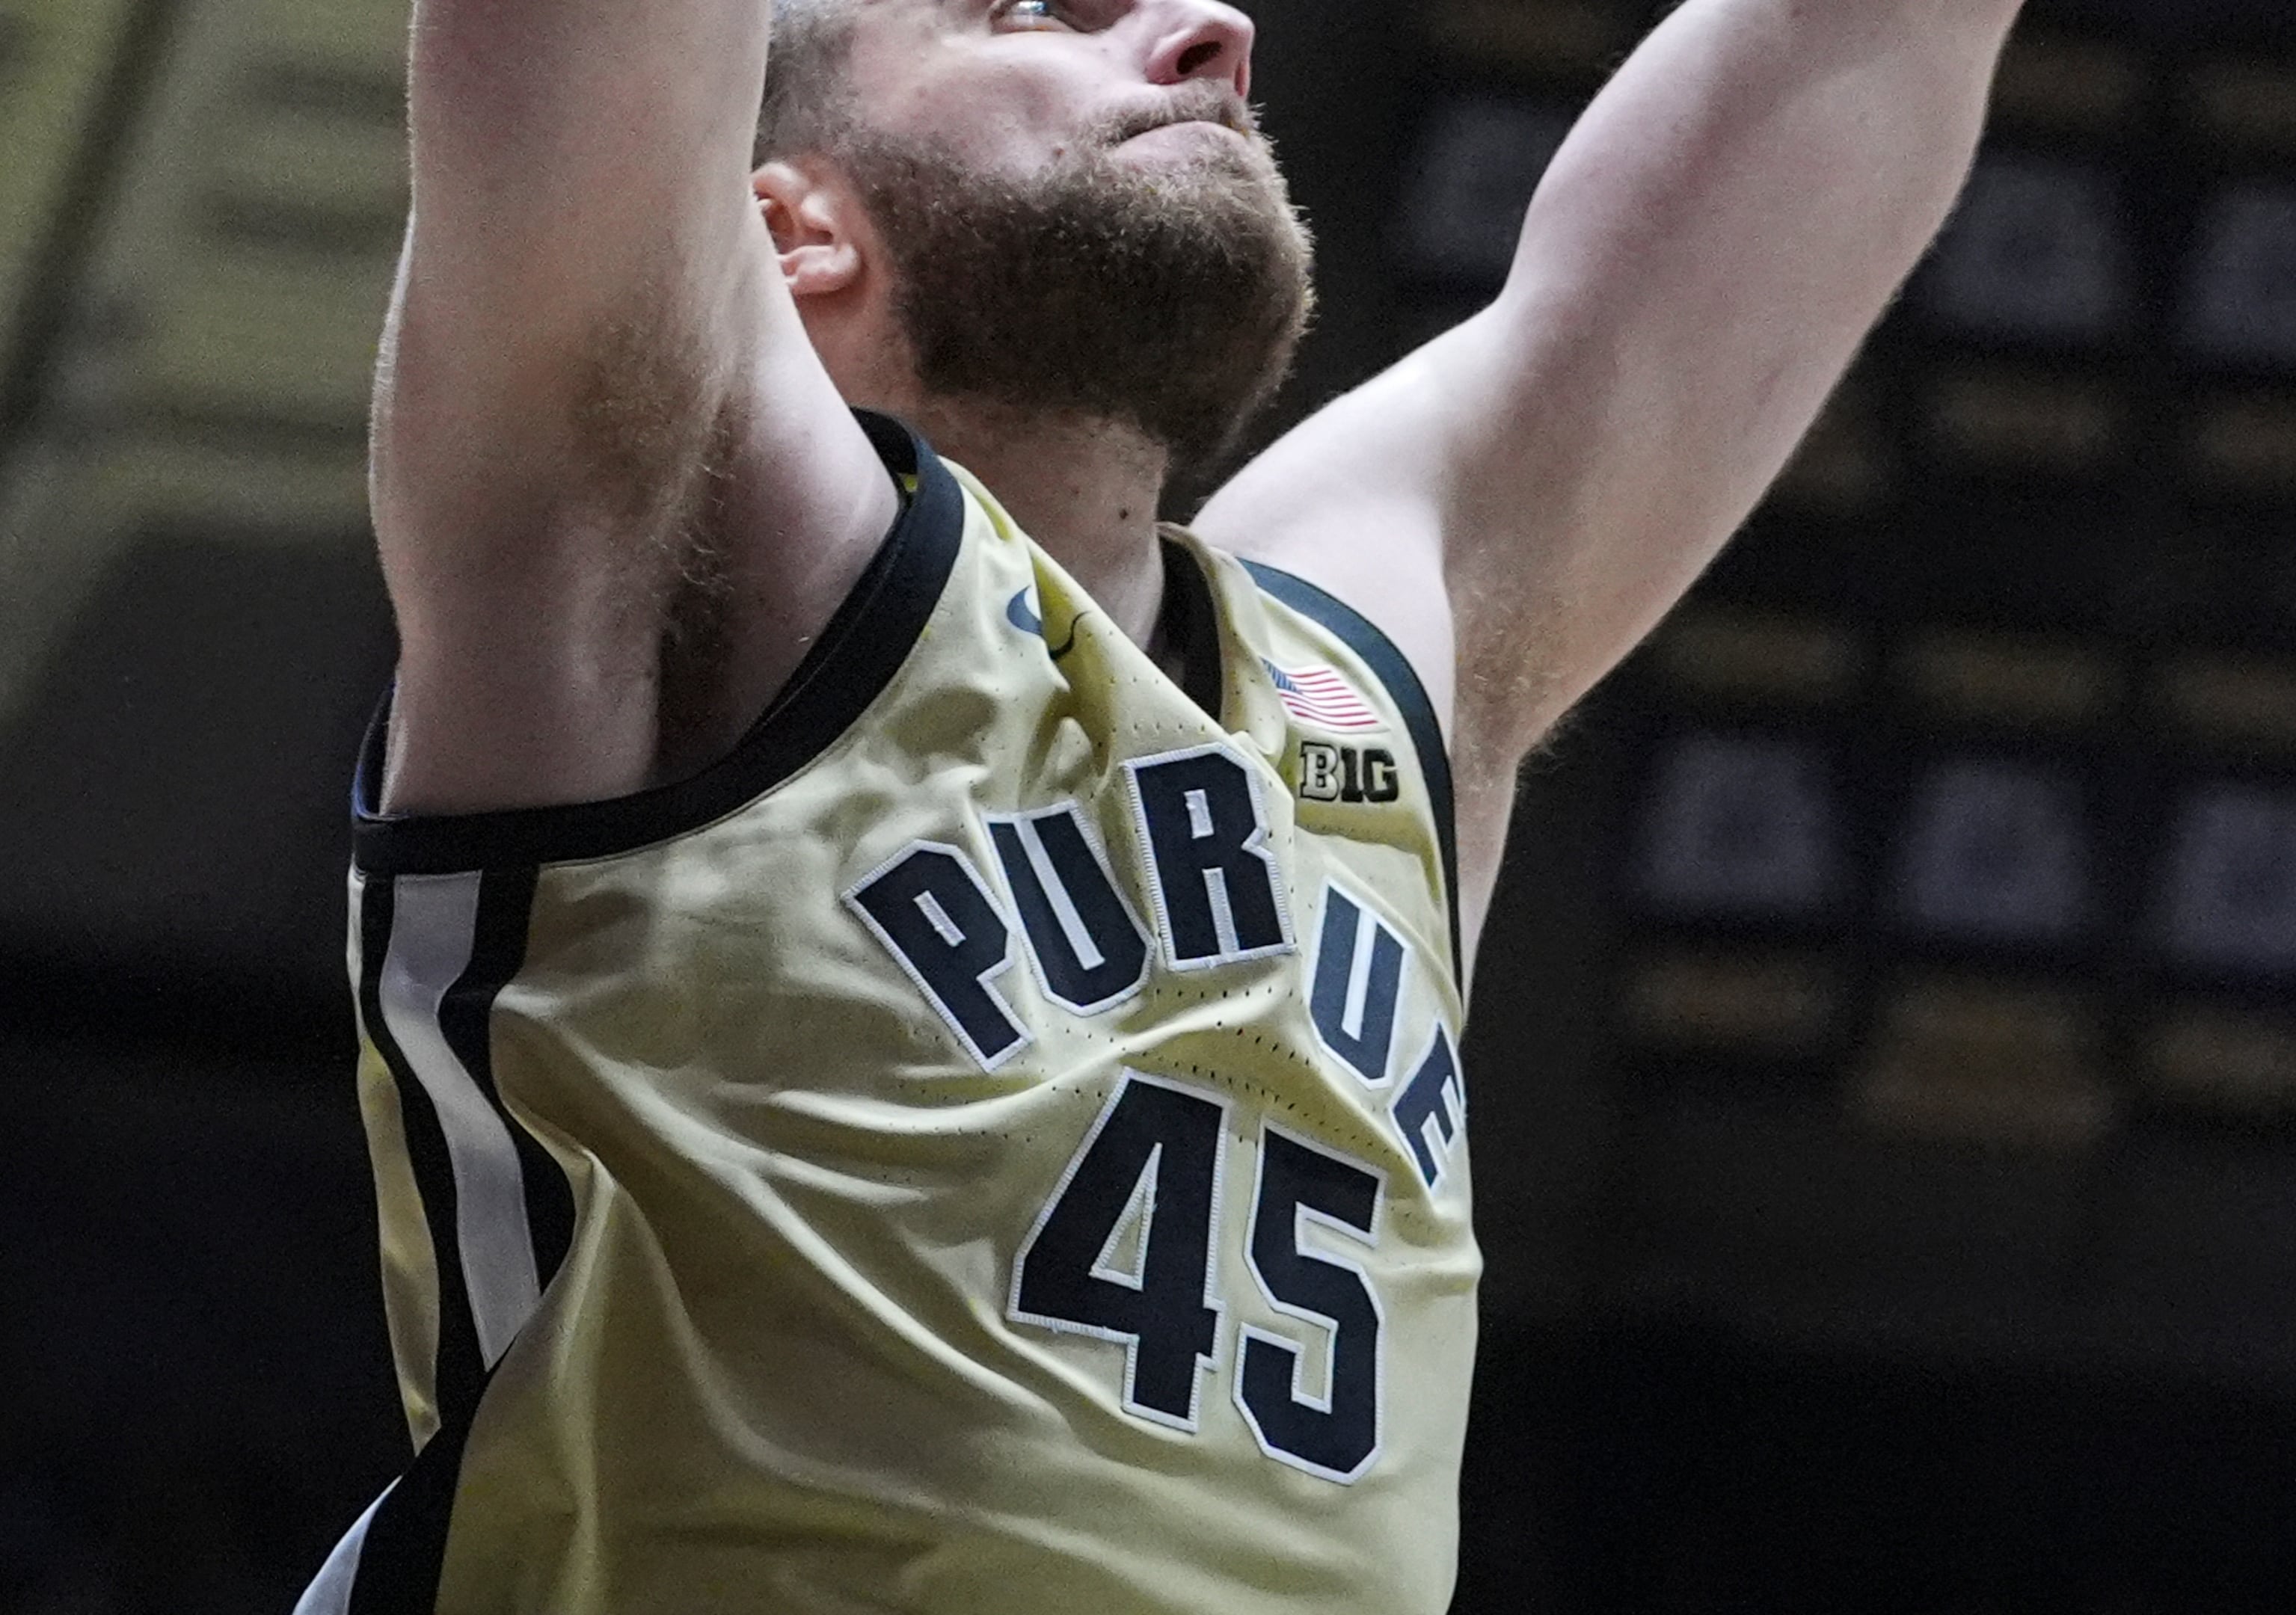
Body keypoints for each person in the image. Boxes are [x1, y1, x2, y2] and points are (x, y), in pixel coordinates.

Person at [294, 0, 2025, 1609]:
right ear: (783, 230)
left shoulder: (1372, 660)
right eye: (1037, 3)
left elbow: (1845, 48)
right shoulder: (683, 522)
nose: (1213, 31)